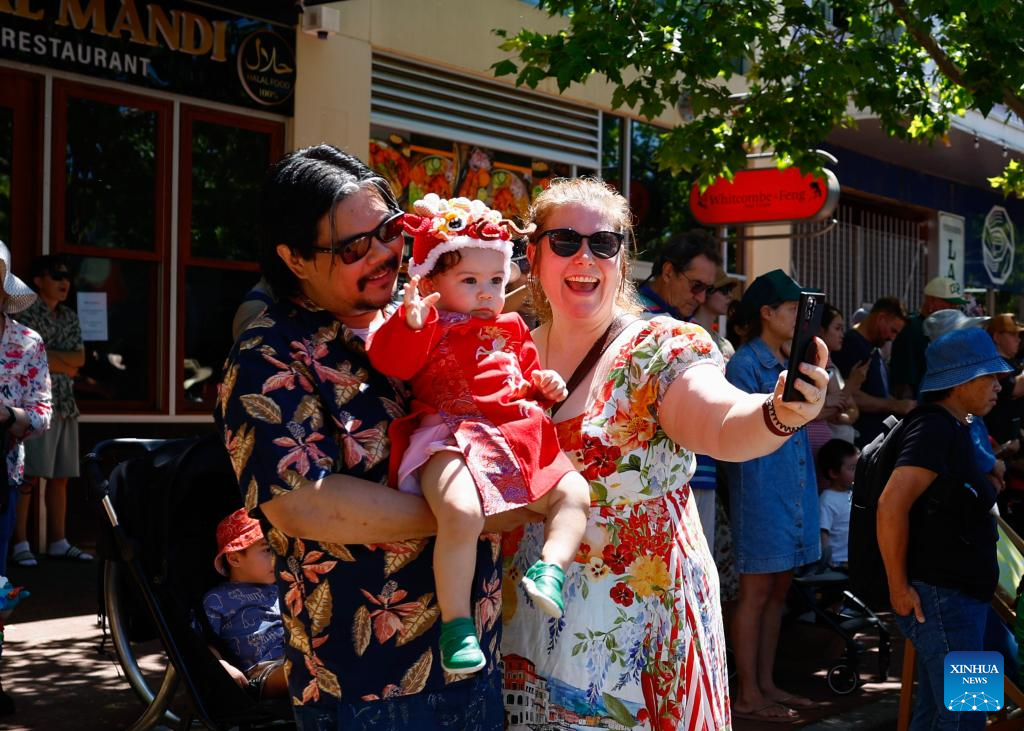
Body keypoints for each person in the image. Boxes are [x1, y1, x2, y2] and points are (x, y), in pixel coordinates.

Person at [216, 145, 527, 729]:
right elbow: (302, 503)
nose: (383, 253)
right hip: (367, 682)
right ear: (294, 257)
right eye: (353, 247)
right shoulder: (268, 354)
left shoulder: (431, 318)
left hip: (474, 655)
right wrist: (471, 513)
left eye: (388, 231)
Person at [501, 179, 830, 730]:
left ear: (622, 259)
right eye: (565, 241)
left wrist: (778, 414)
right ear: (533, 255)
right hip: (522, 616)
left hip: (633, 630)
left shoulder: (657, 348)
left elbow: (719, 419)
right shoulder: (505, 354)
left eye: (603, 243)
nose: (585, 256)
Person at [365, 195, 589, 674]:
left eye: (496, 281)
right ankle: (457, 624)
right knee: (461, 513)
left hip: (514, 435)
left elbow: (523, 379)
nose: (487, 293)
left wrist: (544, 386)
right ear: (430, 282)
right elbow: (392, 362)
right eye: (469, 281)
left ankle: (551, 567)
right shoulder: (426, 322)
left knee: (575, 492)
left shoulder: (512, 326)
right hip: (449, 434)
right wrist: (410, 324)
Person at [877, 327, 1011, 731]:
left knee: (941, 714)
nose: (999, 385)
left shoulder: (953, 426)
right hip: (945, 600)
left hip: (959, 599)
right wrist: (898, 589)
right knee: (966, 718)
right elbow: (891, 505)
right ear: (960, 381)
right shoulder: (933, 428)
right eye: (990, 376)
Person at [724, 269, 824, 722]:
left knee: (778, 590)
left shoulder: (792, 358)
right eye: (791, 309)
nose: (800, 317)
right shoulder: (745, 365)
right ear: (766, 313)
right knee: (757, 591)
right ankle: (748, 692)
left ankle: (766, 685)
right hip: (761, 490)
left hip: (793, 487)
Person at [11, 255, 88, 567]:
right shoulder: (26, 312)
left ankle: (58, 541)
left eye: (67, 276)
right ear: (38, 281)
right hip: (34, 404)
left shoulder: (69, 316)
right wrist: (60, 361)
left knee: (61, 477)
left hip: (66, 405)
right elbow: (29, 355)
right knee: (28, 476)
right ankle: (19, 543)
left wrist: (53, 358)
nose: (64, 282)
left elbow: (80, 360)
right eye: (56, 276)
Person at [203, 508, 287, 699]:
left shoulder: (282, 586)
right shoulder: (217, 599)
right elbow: (199, 642)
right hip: (266, 672)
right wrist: (221, 665)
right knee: (311, 671)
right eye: (268, 550)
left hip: (300, 656)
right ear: (234, 558)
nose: (277, 556)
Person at [833, 296, 916, 447]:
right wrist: (896, 405)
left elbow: (878, 393)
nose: (892, 338)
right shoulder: (851, 344)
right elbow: (848, 395)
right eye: (893, 330)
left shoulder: (874, 348)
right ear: (881, 318)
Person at [889, 276, 966, 399]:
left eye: (956, 305)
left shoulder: (946, 331)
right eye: (950, 303)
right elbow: (903, 379)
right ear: (931, 301)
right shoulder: (912, 329)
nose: (954, 309)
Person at [811, 303, 865, 447]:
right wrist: (851, 385)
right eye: (837, 328)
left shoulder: (831, 366)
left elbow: (852, 409)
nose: (842, 334)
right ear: (821, 330)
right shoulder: (812, 364)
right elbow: (820, 411)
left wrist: (843, 417)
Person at [636, 229, 720, 321]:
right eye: (697, 285)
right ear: (668, 272)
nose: (702, 299)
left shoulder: (686, 320)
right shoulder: (634, 317)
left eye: (708, 289)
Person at [816, 439, 858, 571]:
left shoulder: (855, 493)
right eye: (852, 468)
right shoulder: (827, 499)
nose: (859, 472)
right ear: (834, 473)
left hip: (855, 558)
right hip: (838, 562)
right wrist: (825, 562)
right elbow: (823, 531)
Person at [983, 314, 1024, 448]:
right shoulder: (993, 363)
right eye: (1012, 334)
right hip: (996, 441)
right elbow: (1015, 389)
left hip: (1013, 438)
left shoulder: (1012, 361)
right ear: (997, 337)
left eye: (1018, 335)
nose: (1018, 339)